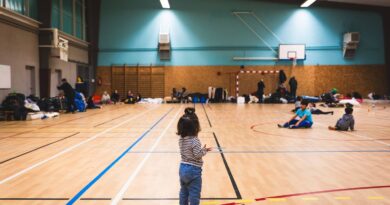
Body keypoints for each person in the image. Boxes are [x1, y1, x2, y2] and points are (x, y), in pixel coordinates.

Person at [177, 107, 212, 205]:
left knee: (183, 191)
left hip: (182, 168)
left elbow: (189, 152)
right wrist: (204, 150)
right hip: (193, 170)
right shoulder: (195, 140)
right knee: (194, 194)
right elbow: (197, 155)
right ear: (195, 127)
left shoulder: (181, 139)